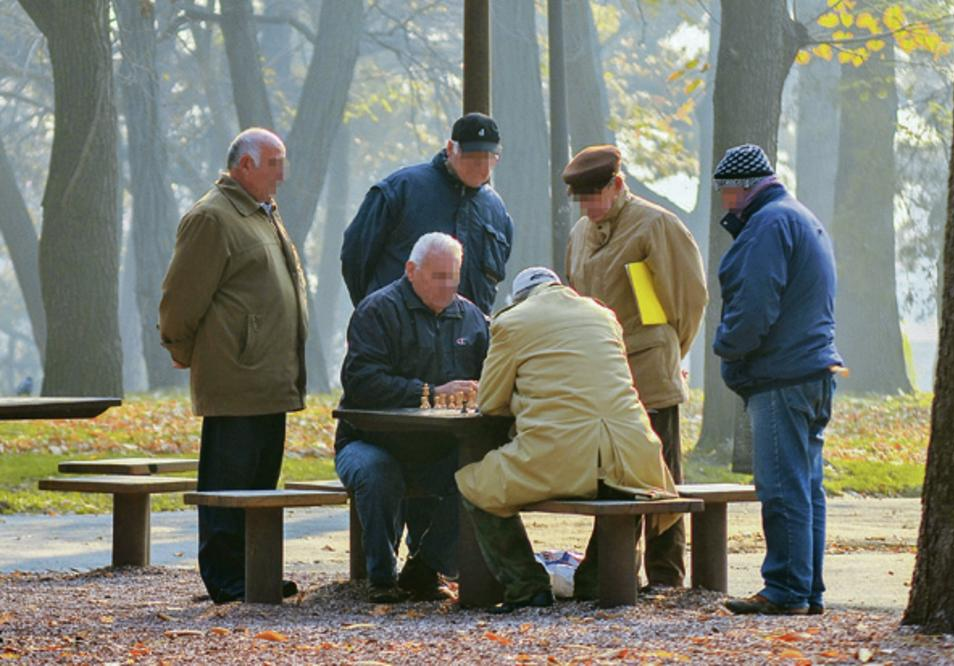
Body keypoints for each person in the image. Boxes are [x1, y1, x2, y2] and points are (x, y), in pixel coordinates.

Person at [455, 268, 678, 613]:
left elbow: (490, 402)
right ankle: (596, 581)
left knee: (474, 485)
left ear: (519, 299)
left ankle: (526, 586)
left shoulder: (512, 322)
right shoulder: (604, 316)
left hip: (559, 455)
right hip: (633, 451)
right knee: (629, 490)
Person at [159, 127, 308, 604]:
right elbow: (181, 298)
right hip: (237, 377)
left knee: (259, 486)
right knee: (229, 486)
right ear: (245, 165)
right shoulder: (212, 218)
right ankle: (226, 578)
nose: (282, 174)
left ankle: (255, 573)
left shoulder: (263, 212)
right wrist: (180, 349)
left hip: (270, 379)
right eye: (274, 163)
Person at [563, 145, 708, 588]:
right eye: (581, 199)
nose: (588, 207)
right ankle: (612, 568)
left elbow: (687, 300)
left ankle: (665, 574)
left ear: (617, 185)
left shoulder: (655, 225)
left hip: (649, 371)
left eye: (594, 196)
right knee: (609, 472)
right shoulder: (580, 233)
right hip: (603, 375)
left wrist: (669, 352)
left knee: (660, 476)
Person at [710, 143, 843, 616]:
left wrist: (726, 346)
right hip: (812, 371)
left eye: (726, 192)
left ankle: (785, 587)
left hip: (781, 375)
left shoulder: (768, 225)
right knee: (805, 486)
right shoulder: (798, 217)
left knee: (781, 486)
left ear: (744, 187)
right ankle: (808, 588)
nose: (725, 202)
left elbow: (754, 306)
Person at [335, 232, 489, 603]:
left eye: (453, 276)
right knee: (377, 472)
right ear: (411, 270)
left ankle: (427, 566)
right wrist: (431, 392)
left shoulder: (471, 318)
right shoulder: (377, 311)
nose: (448, 286)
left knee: (485, 471)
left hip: (438, 448)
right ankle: (381, 577)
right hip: (370, 441)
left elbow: (491, 375)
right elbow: (361, 382)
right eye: (438, 276)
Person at [341, 112, 513, 315]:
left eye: (489, 157)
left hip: (465, 332)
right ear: (450, 149)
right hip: (395, 328)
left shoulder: (497, 212)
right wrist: (376, 315)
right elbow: (355, 256)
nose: (481, 166)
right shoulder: (401, 189)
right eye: (472, 156)